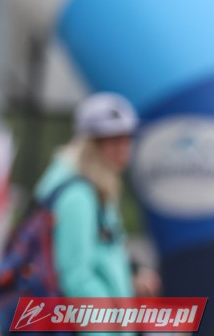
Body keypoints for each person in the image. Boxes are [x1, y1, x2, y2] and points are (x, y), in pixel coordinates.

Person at [33, 92, 161, 305]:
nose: (124, 150)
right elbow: (76, 279)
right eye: (114, 140)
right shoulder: (77, 194)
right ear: (90, 144)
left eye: (127, 139)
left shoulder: (92, 186)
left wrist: (130, 274)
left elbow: (101, 253)